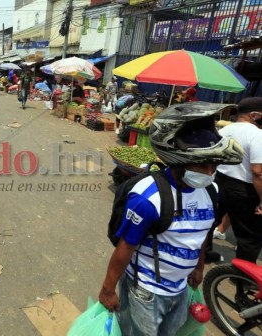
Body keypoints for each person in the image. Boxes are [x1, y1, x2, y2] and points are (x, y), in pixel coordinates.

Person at [99, 102, 243, 336]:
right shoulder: (148, 197)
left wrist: (198, 268)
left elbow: (203, 233)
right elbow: (126, 247)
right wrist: (107, 289)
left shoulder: (211, 191)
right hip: (145, 291)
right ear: (177, 160)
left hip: (180, 287)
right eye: (202, 164)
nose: (209, 172)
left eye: (213, 165)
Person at [214, 97, 262, 263]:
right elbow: (257, 172)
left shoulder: (224, 130)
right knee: (250, 237)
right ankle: (242, 277)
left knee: (209, 222)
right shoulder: (257, 135)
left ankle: (204, 252)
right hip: (243, 189)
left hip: (218, 181)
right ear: (255, 115)